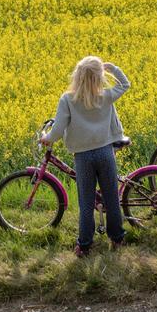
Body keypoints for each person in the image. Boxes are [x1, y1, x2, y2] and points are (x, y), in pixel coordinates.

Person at [42, 55, 132, 256]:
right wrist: (113, 68)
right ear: (100, 77)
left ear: (77, 76)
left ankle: (84, 245)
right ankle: (117, 238)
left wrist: (46, 138)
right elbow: (126, 84)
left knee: (86, 202)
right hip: (105, 152)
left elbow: (58, 130)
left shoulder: (68, 99)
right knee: (111, 199)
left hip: (82, 156)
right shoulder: (105, 96)